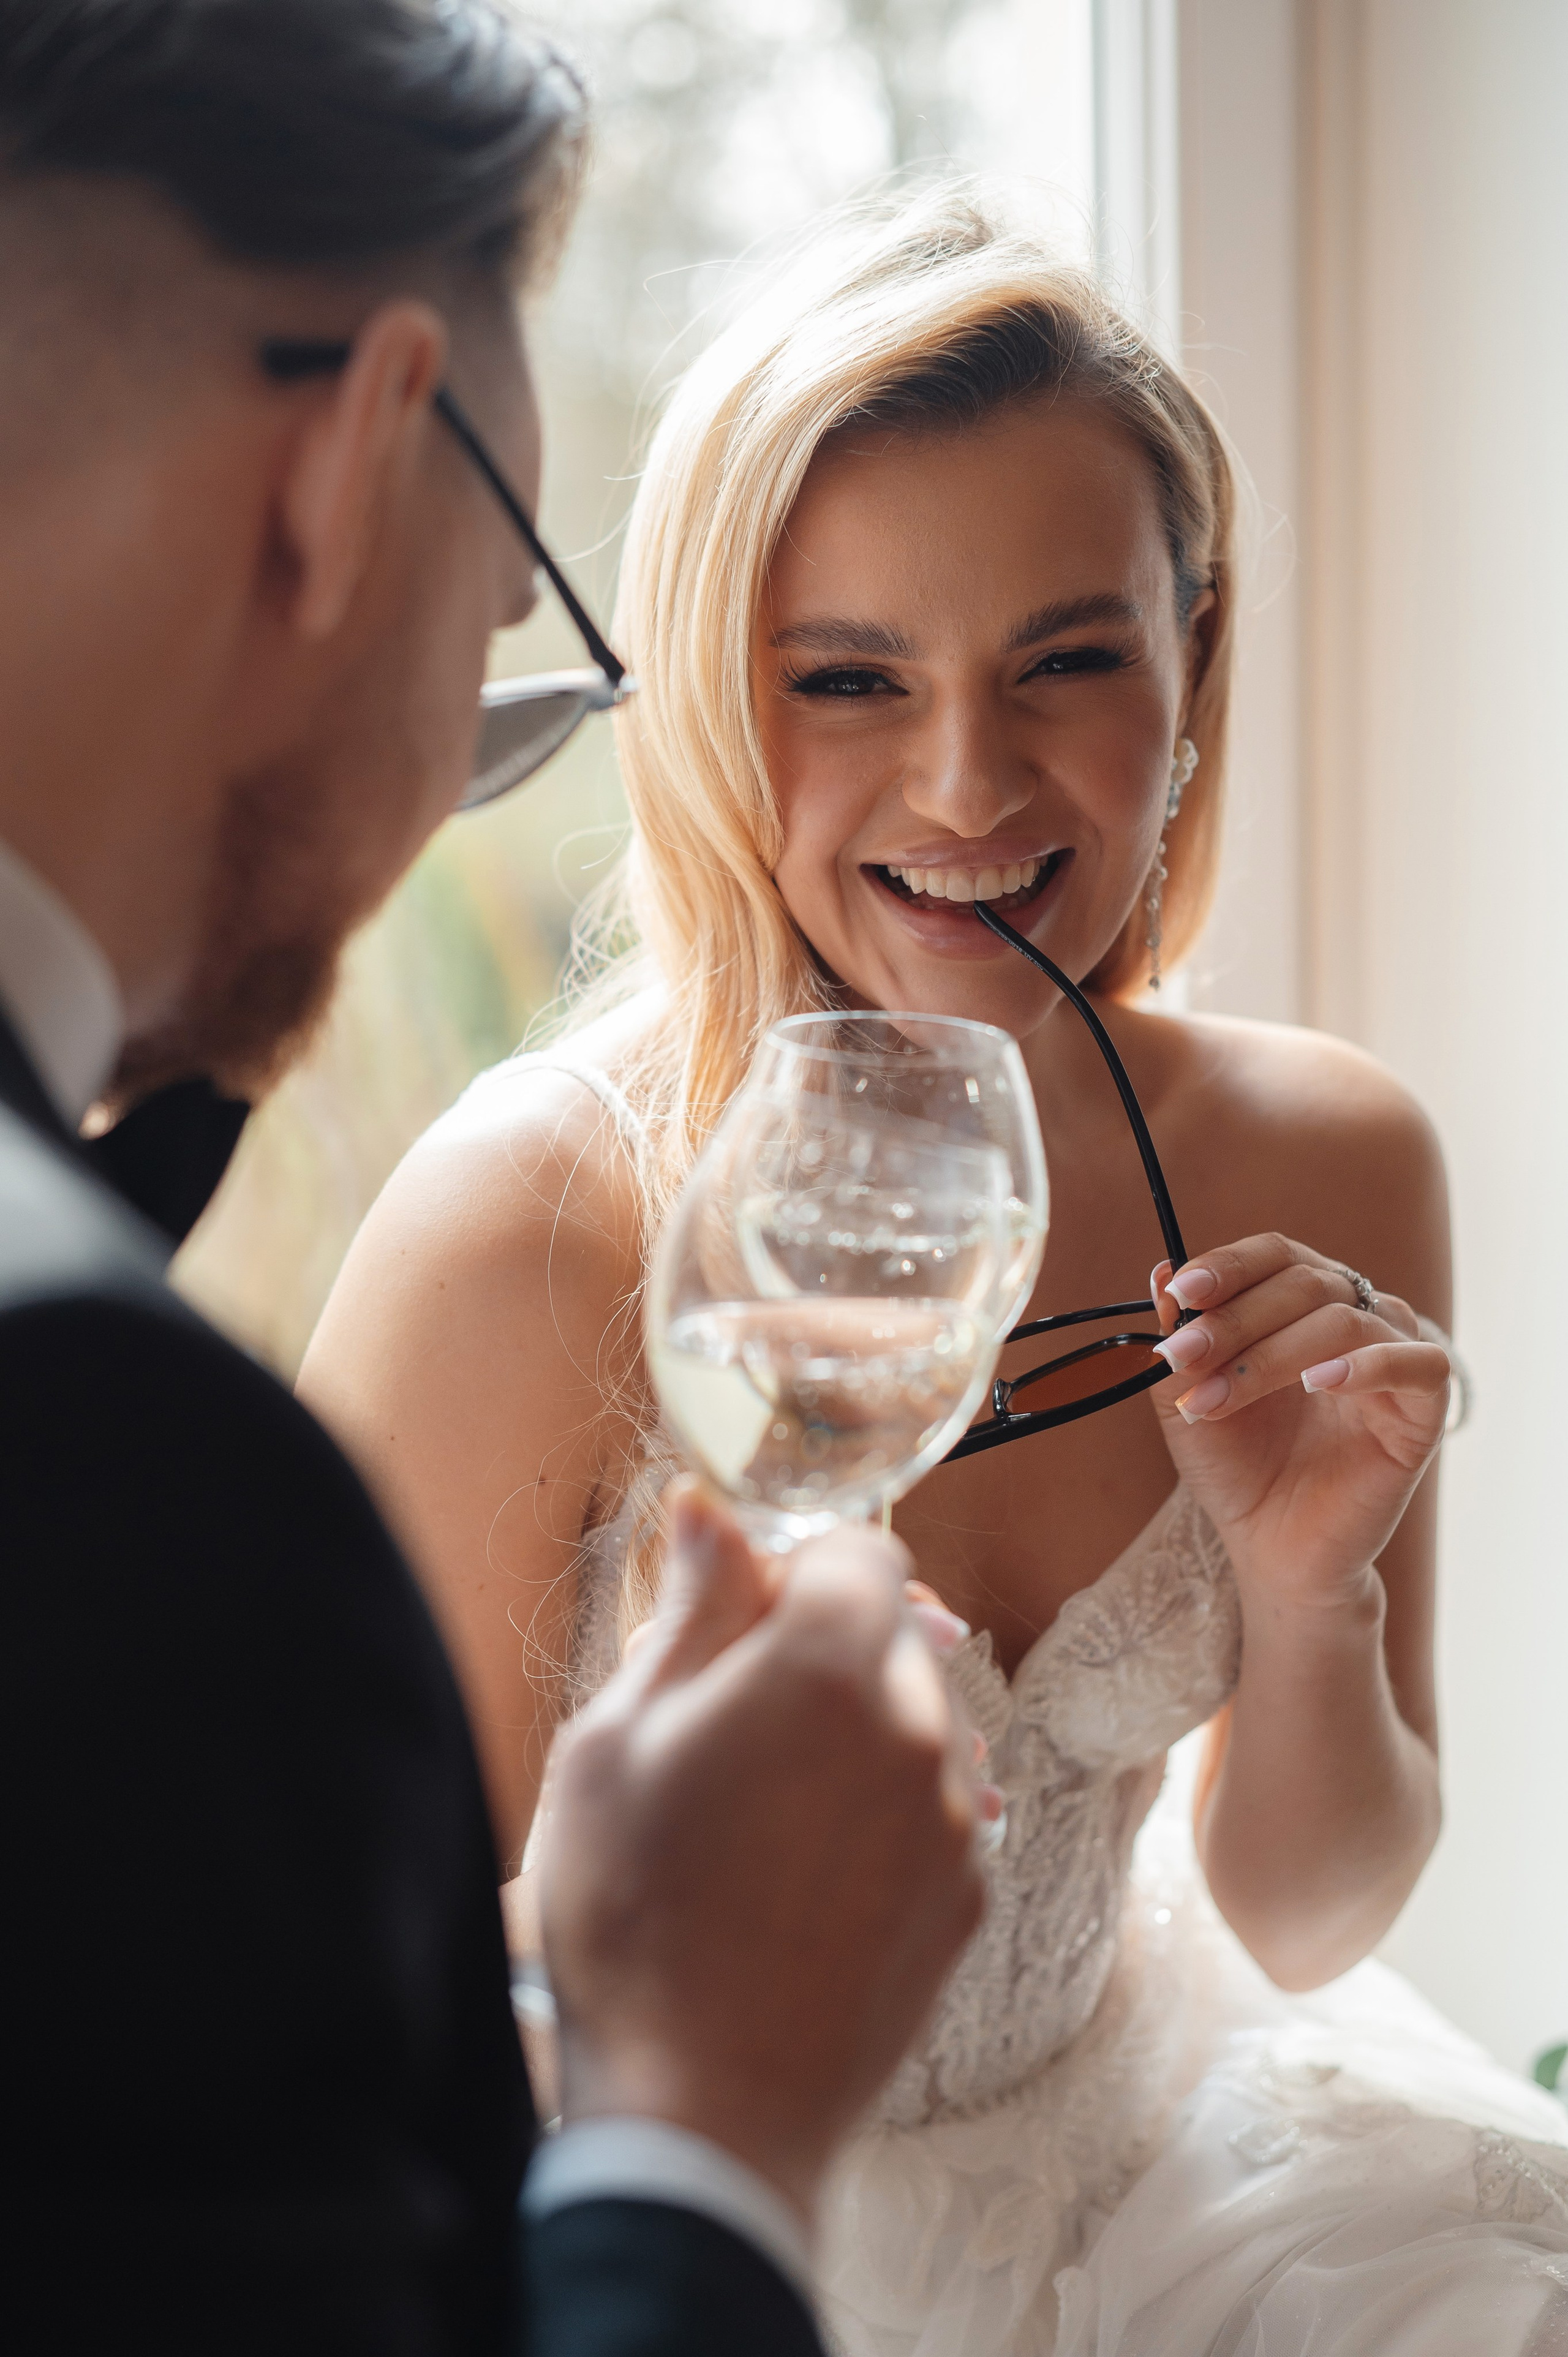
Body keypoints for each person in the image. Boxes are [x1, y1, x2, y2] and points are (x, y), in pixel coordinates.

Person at [304, 189, 1568, 2353]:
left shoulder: (1327, 1157)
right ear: (715, 705)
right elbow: (327, 2000)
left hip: (1148, 2197)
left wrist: (1308, 1596)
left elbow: (1308, 1921)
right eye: (847, 680)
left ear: (1194, 657)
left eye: (1069, 659)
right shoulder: (536, 1220)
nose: (970, 781)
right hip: (649, 2221)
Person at [0, 10, 991, 2351]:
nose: (480, 717)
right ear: (357, 458)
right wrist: (706, 2110)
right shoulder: (113, 1478)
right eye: (510, 589)